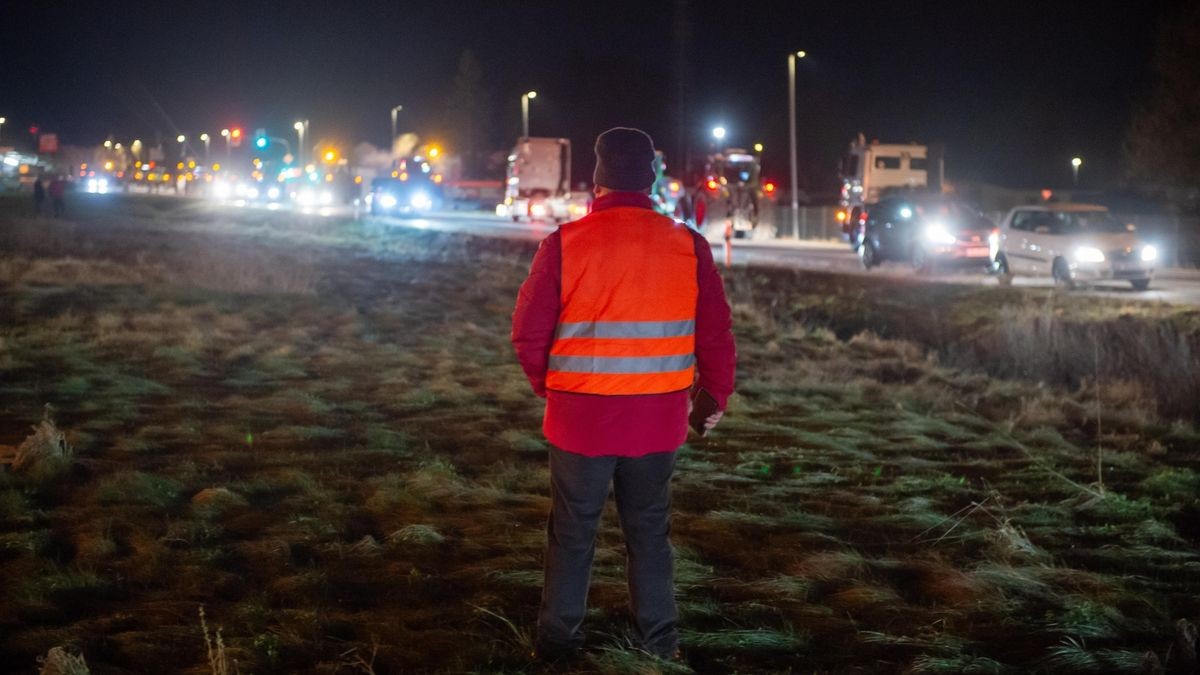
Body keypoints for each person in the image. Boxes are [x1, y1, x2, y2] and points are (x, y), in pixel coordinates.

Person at [511, 127, 736, 661]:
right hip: (656, 423)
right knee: (650, 534)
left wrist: (552, 387)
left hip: (579, 421)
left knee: (572, 534)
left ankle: (558, 646)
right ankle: (659, 646)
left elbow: (528, 331)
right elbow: (715, 334)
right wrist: (712, 398)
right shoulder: (689, 246)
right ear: (652, 177)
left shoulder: (564, 244)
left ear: (598, 177)